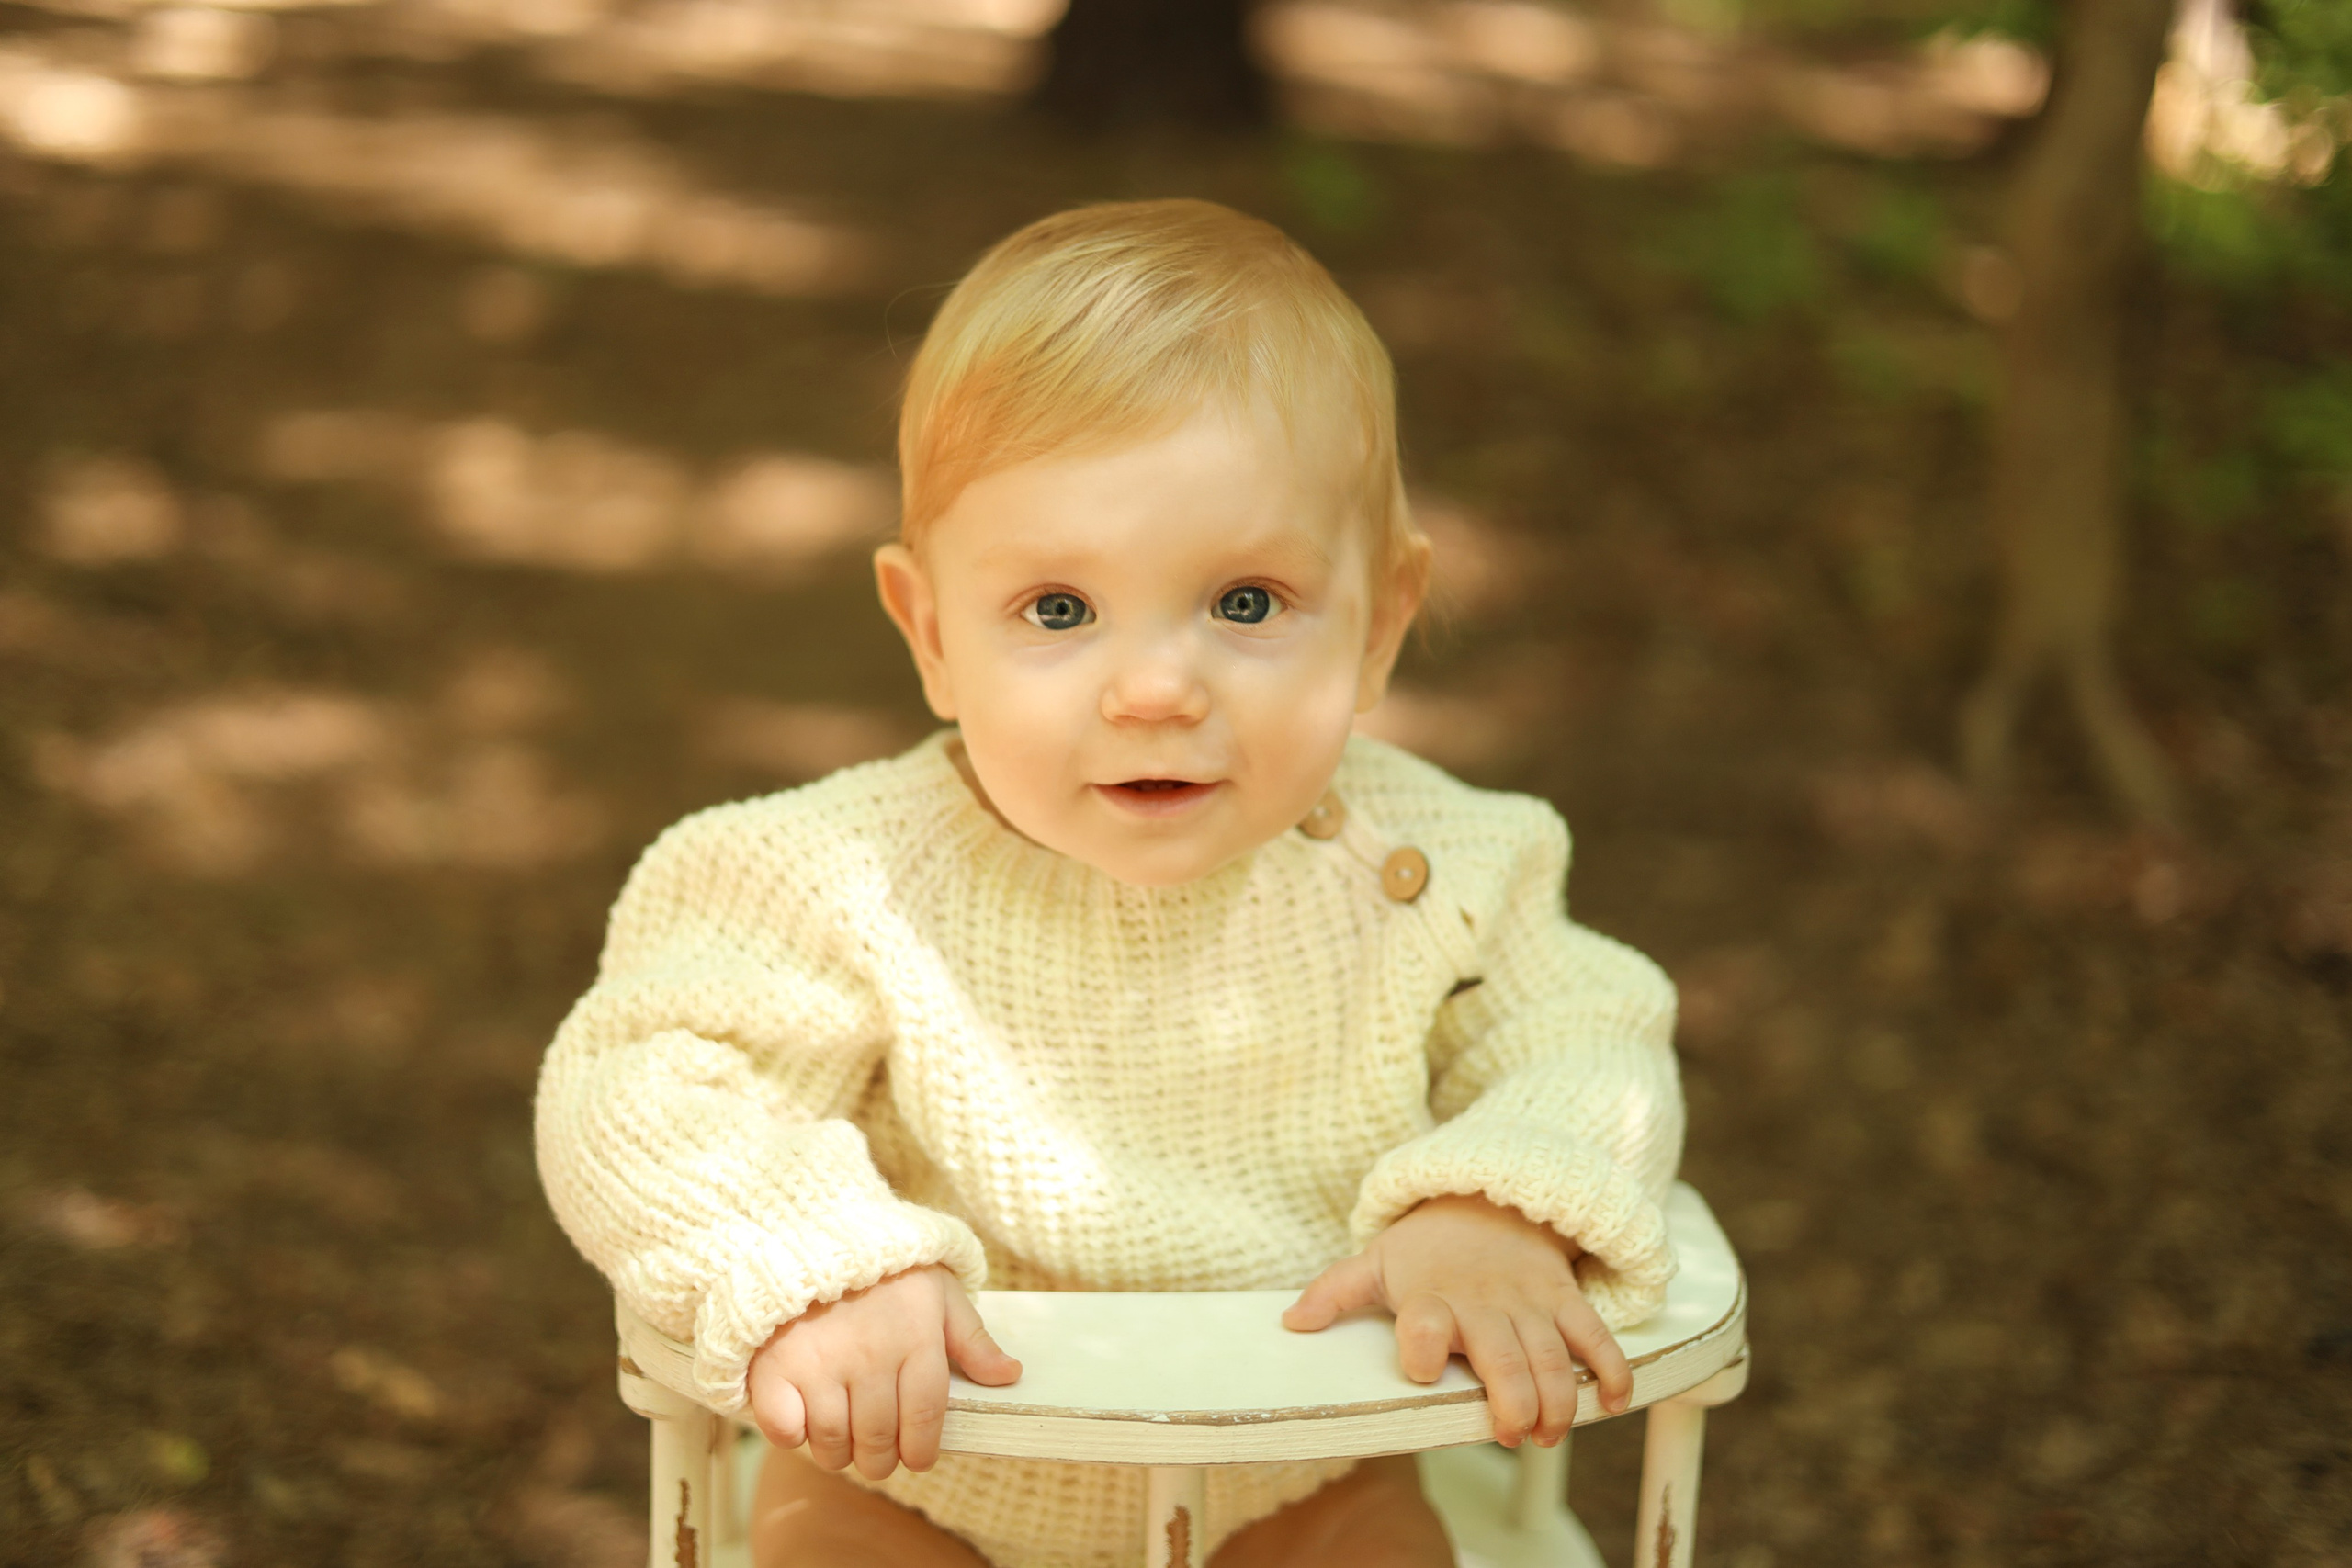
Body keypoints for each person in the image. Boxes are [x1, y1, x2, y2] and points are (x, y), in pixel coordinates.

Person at [535, 198, 1684, 1568]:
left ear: (1379, 627)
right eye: (1059, 611)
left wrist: (1496, 1203)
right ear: (932, 634)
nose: (1155, 689)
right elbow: (649, 1073)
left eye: (1246, 602)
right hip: (915, 1466)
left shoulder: (1440, 869)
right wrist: (815, 1261)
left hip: (1294, 1476)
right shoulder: (830, 880)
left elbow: (1586, 1032)